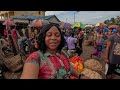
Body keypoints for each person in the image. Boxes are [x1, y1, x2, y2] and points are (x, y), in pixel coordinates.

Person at [21, 23, 88, 79]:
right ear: (43, 38)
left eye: (57, 35)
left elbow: (69, 66)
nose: (53, 38)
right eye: (49, 35)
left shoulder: (63, 53)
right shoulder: (35, 58)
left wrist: (80, 76)